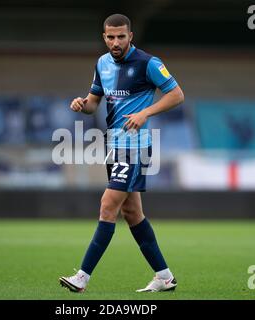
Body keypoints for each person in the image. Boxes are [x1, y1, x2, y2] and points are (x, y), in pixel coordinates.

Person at [59, 13, 184, 293]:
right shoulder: (101, 63)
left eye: (121, 36)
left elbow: (177, 94)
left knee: (107, 206)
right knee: (131, 212)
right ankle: (164, 277)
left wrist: (145, 112)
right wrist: (82, 104)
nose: (116, 42)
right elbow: (94, 103)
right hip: (113, 145)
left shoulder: (148, 63)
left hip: (135, 147)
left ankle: (82, 277)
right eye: (110, 37)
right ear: (104, 37)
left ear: (130, 37)